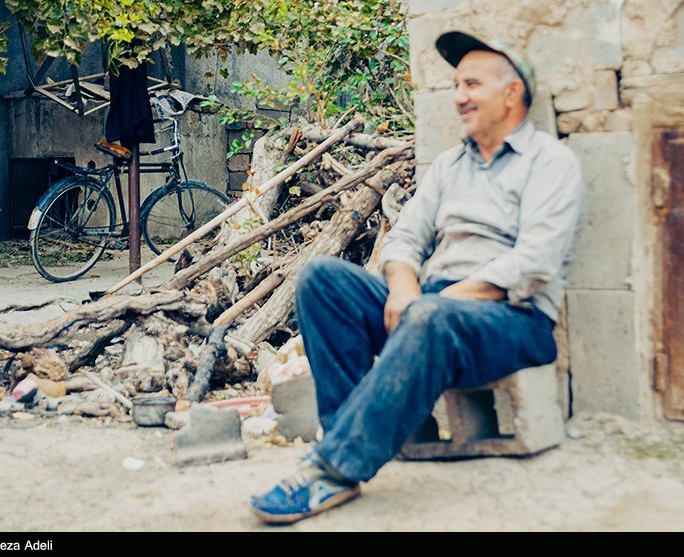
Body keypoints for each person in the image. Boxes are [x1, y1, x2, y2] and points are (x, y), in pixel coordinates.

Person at [249, 31, 585, 524]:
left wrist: (437, 302)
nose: (459, 96)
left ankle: (331, 469)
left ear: (512, 93)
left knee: (430, 313)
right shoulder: (451, 164)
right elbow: (405, 237)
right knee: (322, 279)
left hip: (513, 319)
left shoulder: (551, 163)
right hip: (432, 309)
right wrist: (405, 287)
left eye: (472, 84)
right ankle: (344, 442)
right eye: (456, 85)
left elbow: (535, 261)